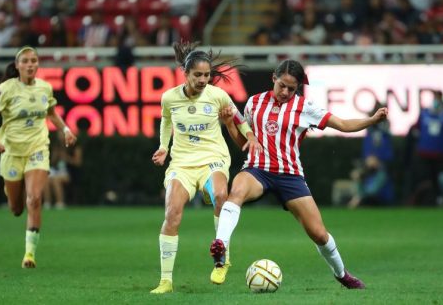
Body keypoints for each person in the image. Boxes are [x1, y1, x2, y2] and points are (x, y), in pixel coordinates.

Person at [210, 59, 388, 289]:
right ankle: (221, 248)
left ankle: (342, 274)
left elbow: (342, 124)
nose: (285, 92)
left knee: (319, 234)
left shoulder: (305, 108)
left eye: (291, 89)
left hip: (289, 175)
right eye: (281, 85)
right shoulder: (254, 103)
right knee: (237, 190)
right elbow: (246, 144)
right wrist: (230, 125)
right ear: (273, 78)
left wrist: (372, 120)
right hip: (257, 169)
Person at [149, 42, 261, 294]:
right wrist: (163, 148)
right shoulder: (169, 98)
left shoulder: (217, 95)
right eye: (197, 75)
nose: (203, 80)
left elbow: (238, 117)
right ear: (185, 74)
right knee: (172, 213)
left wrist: (251, 136)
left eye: (207, 75)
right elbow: (166, 122)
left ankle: (222, 260)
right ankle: (165, 280)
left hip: (213, 158)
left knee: (222, 195)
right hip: (182, 163)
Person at [0, 46, 77, 268]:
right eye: (25, 61)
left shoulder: (45, 88)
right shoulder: (6, 89)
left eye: (34, 60)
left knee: (34, 198)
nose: (31, 64)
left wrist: (65, 130)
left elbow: (51, 113)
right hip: (11, 152)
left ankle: (29, 255)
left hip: (37, 148)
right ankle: (14, 190)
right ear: (17, 66)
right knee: (16, 208)